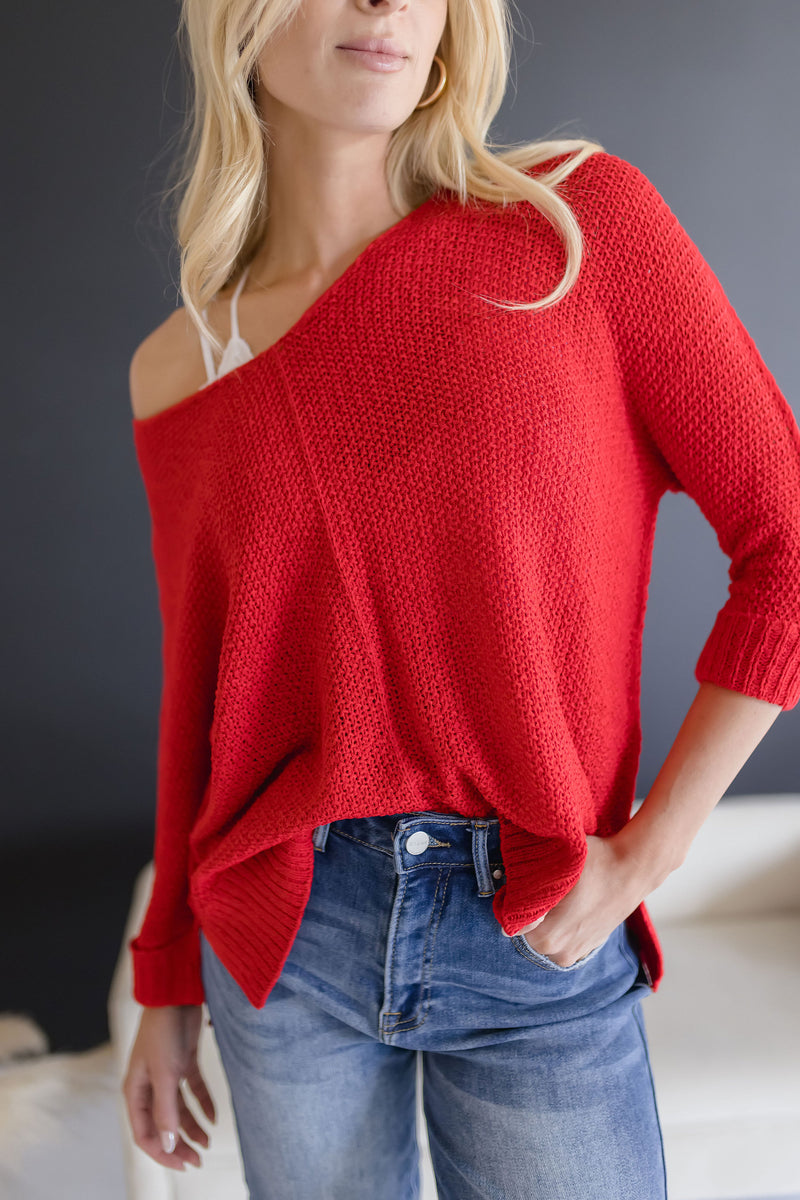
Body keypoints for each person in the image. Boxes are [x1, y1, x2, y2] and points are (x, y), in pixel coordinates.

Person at [121, 0, 800, 1196]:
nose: (385, 3)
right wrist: (167, 972)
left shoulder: (576, 225)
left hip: (532, 914)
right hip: (285, 939)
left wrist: (647, 854)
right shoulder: (182, 361)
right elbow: (202, 695)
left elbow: (784, 543)